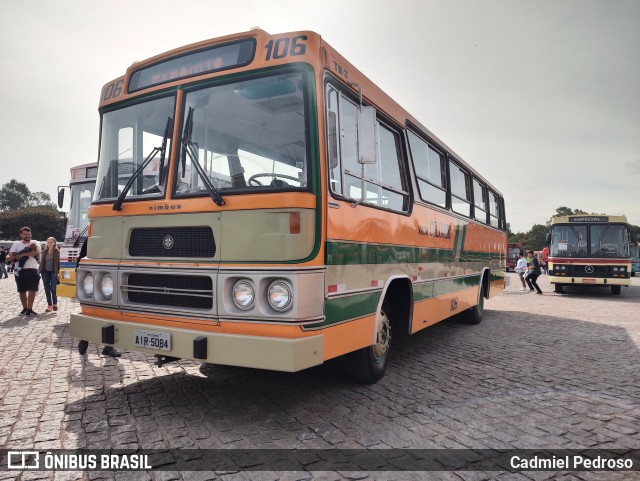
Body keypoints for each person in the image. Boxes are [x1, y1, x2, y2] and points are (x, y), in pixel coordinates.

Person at [7, 227, 42, 316]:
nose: (28, 236)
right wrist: (12, 257)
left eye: (29, 234)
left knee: (32, 290)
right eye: (25, 234)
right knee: (22, 290)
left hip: (33, 269)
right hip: (20, 270)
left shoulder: (35, 242)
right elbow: (10, 256)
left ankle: (30, 309)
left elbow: (37, 252)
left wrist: (22, 254)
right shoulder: (16, 244)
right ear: (21, 234)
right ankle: (25, 308)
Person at [39, 237, 60, 312]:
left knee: (53, 288)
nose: (50, 244)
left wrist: (59, 272)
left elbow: (59, 263)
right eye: (48, 242)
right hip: (45, 272)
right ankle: (49, 305)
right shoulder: (44, 251)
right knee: (47, 289)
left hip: (53, 271)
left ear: (54, 243)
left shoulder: (57, 251)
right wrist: (40, 271)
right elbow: (41, 263)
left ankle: (55, 304)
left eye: (51, 242)